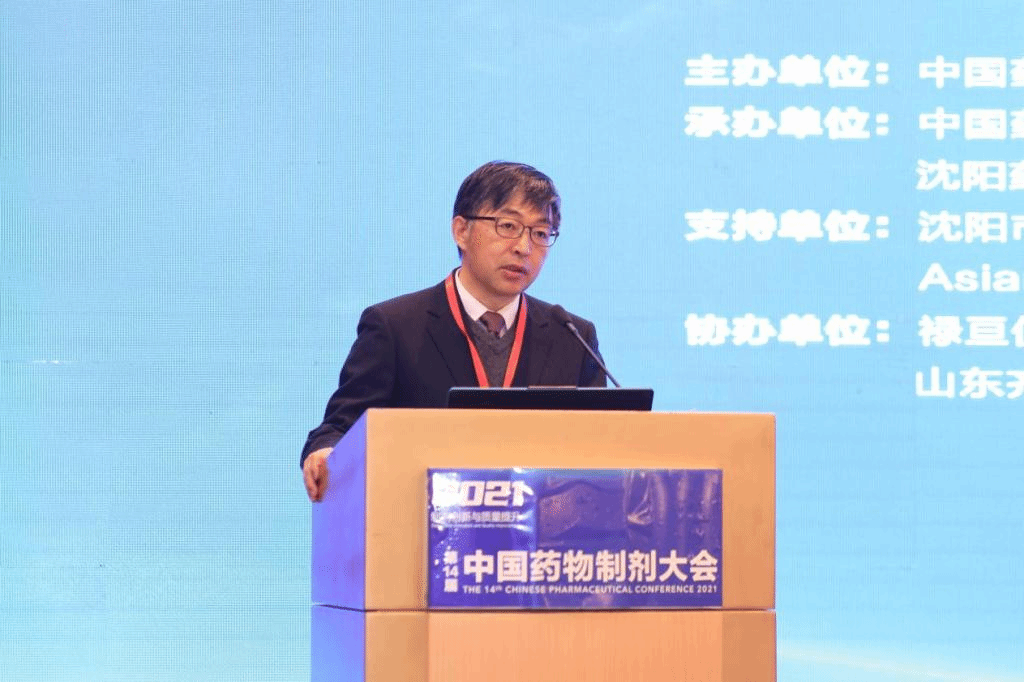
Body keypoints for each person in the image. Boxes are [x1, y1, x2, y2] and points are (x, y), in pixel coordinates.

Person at [301, 161, 606, 501]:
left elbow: (603, 447)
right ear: (461, 230)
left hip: (543, 527)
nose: (524, 247)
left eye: (540, 233)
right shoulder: (395, 326)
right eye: (508, 226)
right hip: (421, 521)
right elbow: (341, 428)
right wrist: (326, 452)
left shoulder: (572, 337)